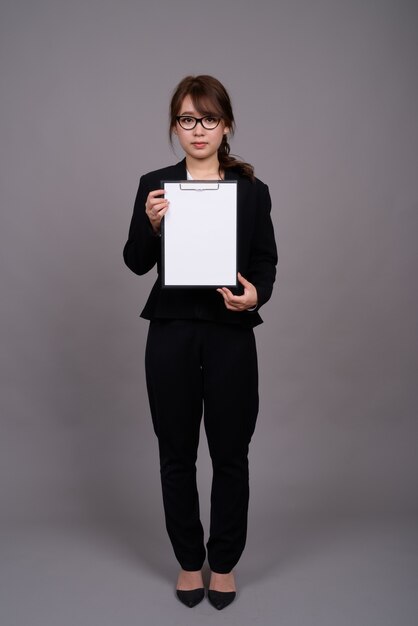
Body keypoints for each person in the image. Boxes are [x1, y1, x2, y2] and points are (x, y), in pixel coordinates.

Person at [123, 75, 277, 610]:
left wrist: (256, 295)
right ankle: (191, 562)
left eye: (209, 119)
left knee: (231, 453)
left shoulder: (252, 191)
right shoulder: (156, 184)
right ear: (175, 125)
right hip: (170, 332)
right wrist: (149, 224)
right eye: (188, 119)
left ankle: (226, 563)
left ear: (226, 124)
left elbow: (264, 262)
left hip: (232, 335)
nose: (198, 129)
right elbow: (135, 261)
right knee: (176, 453)